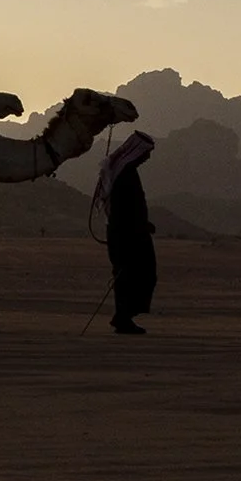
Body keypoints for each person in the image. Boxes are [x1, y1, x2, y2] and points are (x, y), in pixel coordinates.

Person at [95, 131, 157, 334]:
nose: (147, 158)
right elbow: (125, 208)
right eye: (146, 153)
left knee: (131, 274)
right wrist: (140, 225)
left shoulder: (123, 170)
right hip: (128, 234)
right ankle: (123, 317)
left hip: (126, 231)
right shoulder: (124, 173)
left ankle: (123, 316)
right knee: (134, 274)